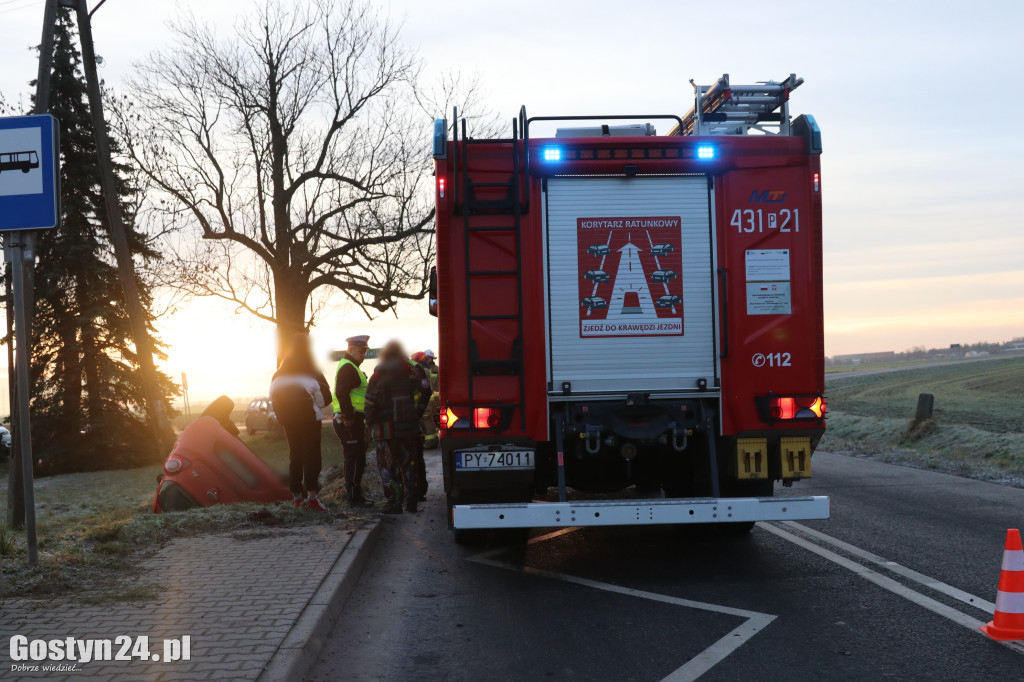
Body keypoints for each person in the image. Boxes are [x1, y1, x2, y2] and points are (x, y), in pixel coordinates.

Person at [269, 333, 332, 512]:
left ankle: (296, 498)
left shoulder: (278, 374)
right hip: (309, 421)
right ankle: (312, 498)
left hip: (288, 421)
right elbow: (324, 400)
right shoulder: (312, 371)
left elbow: (273, 398)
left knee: (295, 457)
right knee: (312, 457)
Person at [364, 341, 422, 514]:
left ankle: (394, 502)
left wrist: (370, 423)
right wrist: (414, 417)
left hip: (385, 430)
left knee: (387, 467)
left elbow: (369, 403)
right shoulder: (411, 374)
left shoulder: (378, 376)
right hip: (408, 428)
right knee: (409, 465)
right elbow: (419, 397)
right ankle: (411, 501)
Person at [332, 334, 373, 508]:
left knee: (357, 457)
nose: (363, 354)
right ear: (350, 349)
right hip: (349, 420)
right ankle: (353, 497)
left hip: (354, 418)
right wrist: (349, 417)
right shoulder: (348, 368)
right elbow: (342, 393)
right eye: (360, 351)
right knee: (354, 458)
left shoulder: (351, 367)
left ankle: (355, 495)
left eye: (365, 351)